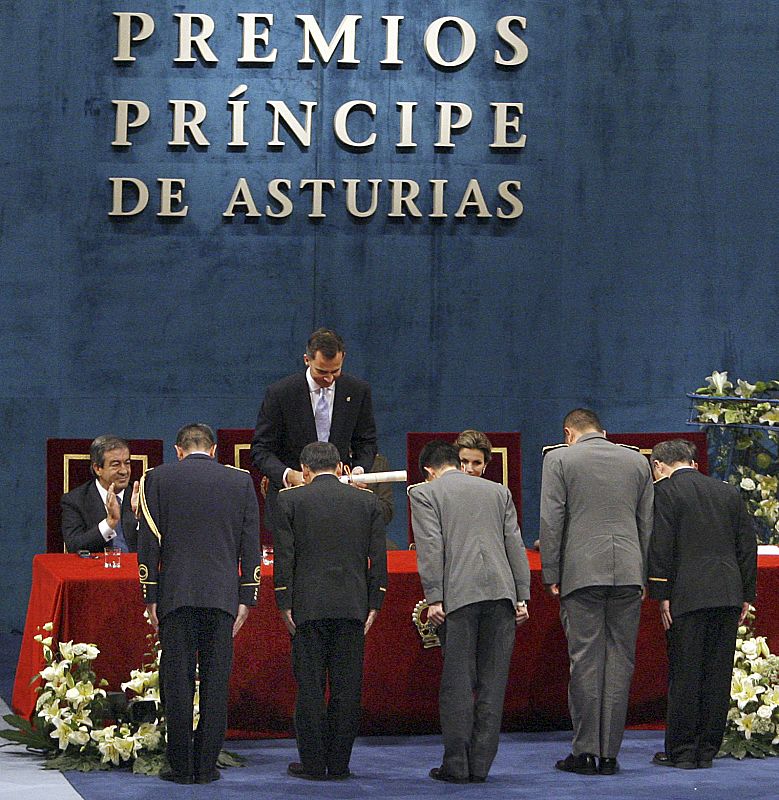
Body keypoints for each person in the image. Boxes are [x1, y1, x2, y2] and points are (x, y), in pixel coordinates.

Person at [137, 423, 261, 785]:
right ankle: (206, 766)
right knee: (215, 682)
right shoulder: (239, 482)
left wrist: (150, 595)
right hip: (222, 596)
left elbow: (149, 545)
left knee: (176, 684)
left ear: (178, 450)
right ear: (215, 449)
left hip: (175, 595)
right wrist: (247, 596)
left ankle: (180, 765)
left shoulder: (156, 479)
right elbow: (250, 544)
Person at [539, 408, 653, 776]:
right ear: (603, 431)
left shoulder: (558, 458)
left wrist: (551, 572)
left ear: (568, 432)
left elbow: (551, 520)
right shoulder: (636, 460)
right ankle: (609, 755)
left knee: (585, 662)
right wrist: (643, 574)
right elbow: (645, 524)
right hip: (629, 573)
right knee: (620, 663)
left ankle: (585, 751)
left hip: (582, 572)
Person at [408, 440, 530, 783]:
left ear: (430, 470)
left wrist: (434, 598)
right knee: (493, 685)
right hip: (503, 596)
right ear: (455, 463)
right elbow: (514, 545)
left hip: (459, 597)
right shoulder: (497, 492)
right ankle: (480, 766)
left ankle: (457, 765)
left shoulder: (424, 493)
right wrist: (522, 596)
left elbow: (431, 548)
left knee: (458, 684)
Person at [274, 441, 387, 781]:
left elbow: (285, 558)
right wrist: (375, 602)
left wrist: (284, 602)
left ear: (304, 471)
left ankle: (312, 763)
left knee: (308, 687)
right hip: (352, 606)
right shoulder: (367, 502)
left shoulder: (289, 500)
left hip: (307, 608)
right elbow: (378, 560)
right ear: (340, 469)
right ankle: (339, 764)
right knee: (347, 689)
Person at [648, 439, 757, 769]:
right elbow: (747, 548)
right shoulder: (727, 492)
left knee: (686, 674)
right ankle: (707, 750)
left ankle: (682, 752)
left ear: (659, 466)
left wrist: (661, 593)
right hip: (727, 593)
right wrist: (745, 596)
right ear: (693, 462)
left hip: (687, 595)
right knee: (717, 675)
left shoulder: (666, 492)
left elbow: (661, 544)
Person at [250, 328, 377, 538]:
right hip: (292, 501)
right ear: (306, 360)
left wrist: (360, 469)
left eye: (335, 371)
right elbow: (261, 449)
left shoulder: (357, 391)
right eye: (322, 372)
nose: (329, 379)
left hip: (340, 500)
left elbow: (366, 441)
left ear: (343, 358)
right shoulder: (281, 393)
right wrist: (289, 475)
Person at [60, 434, 139, 553]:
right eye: (116, 464)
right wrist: (109, 523)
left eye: (127, 463)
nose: (124, 471)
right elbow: (74, 545)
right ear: (97, 468)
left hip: (136, 569)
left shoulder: (143, 496)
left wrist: (140, 518)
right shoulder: (75, 500)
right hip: (95, 569)